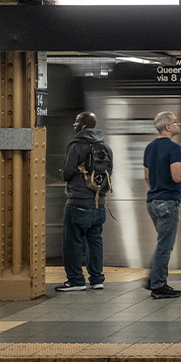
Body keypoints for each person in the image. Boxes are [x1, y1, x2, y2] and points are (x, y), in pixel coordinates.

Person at [142, 111, 181, 300]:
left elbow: (147, 177)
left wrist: (159, 188)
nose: (179, 124)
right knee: (165, 245)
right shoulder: (174, 148)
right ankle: (159, 286)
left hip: (153, 201)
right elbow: (177, 176)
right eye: (176, 122)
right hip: (168, 202)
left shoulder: (149, 148)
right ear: (167, 127)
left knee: (162, 243)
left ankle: (153, 279)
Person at [57, 111, 112, 292]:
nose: (74, 125)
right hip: (99, 204)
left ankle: (75, 281)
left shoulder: (77, 145)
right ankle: (97, 279)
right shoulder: (106, 147)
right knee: (95, 241)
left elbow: (67, 173)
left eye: (77, 121)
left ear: (84, 125)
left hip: (78, 202)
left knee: (72, 243)